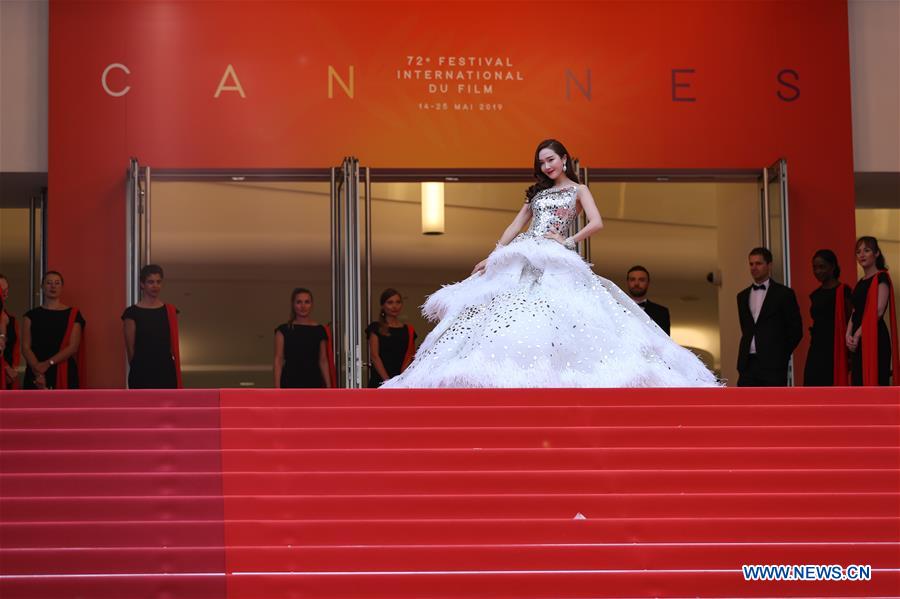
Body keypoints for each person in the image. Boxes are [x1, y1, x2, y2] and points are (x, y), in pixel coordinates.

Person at [380, 139, 718, 388]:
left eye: (551, 160)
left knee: (564, 311)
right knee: (507, 309)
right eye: (542, 162)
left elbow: (598, 222)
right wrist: (494, 254)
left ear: (564, 159)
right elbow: (516, 225)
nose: (547, 167)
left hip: (556, 254)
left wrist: (568, 241)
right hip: (526, 251)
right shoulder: (537, 194)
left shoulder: (578, 190)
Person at [736, 247, 803, 387]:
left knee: (773, 405)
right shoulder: (742, 296)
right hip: (747, 363)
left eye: (758, 263)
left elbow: (796, 330)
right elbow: (746, 328)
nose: (754, 267)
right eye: (751, 264)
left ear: (769, 265)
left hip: (773, 365)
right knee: (745, 405)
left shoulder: (784, 294)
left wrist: (780, 354)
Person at [846, 236, 898, 386]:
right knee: (858, 384)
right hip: (858, 339)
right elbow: (855, 312)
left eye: (866, 250)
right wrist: (848, 334)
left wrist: (857, 333)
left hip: (875, 336)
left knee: (876, 383)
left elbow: (878, 311)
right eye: (858, 252)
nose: (861, 255)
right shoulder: (860, 282)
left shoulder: (882, 277)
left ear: (876, 254)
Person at [21, 271, 86, 389]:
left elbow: (73, 347)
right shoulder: (30, 316)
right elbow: (25, 347)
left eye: (57, 283)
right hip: (35, 369)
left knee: (65, 406)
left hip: (64, 369)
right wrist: (38, 370)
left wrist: (47, 364)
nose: (53, 286)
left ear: (62, 287)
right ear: (42, 286)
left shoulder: (73, 314)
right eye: (49, 283)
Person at [122, 264, 182, 389]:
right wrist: (139, 367)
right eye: (150, 282)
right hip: (141, 371)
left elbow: (172, 345)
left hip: (166, 371)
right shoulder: (131, 313)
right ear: (142, 284)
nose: (155, 286)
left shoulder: (170, 311)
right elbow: (130, 349)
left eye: (158, 282)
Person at [803, 250, 852, 386]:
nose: (817, 271)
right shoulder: (815, 294)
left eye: (822, 266)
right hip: (816, 348)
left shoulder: (844, 291)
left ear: (833, 267)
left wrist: (849, 356)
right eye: (815, 267)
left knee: (832, 391)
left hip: (835, 349)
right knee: (811, 388)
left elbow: (850, 322)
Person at [274, 288, 331, 388]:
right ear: (293, 304)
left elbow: (323, 360)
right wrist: (277, 388)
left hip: (314, 382)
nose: (303, 306)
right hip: (289, 382)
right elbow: (278, 360)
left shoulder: (319, 330)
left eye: (307, 302)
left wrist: (329, 387)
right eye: (299, 302)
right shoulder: (283, 330)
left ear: (312, 304)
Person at [366, 288, 417, 388]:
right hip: (380, 380)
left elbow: (410, 356)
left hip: (402, 381)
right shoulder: (376, 328)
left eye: (398, 302)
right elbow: (375, 356)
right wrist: (388, 382)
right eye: (390, 302)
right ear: (383, 306)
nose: (394, 306)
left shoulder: (408, 330)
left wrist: (401, 379)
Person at [625, 265, 671, 335]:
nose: (636, 283)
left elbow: (665, 341)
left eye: (641, 280)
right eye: (632, 279)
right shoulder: (616, 307)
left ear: (648, 283)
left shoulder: (661, 312)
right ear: (627, 282)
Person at [0, 274, 21, 389]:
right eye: (1, 289)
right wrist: (6, 368)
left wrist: (13, 369)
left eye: (6, 288)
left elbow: (16, 348)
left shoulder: (12, 319)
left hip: (9, 376)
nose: (4, 292)